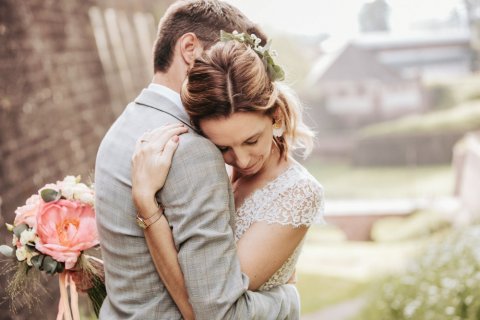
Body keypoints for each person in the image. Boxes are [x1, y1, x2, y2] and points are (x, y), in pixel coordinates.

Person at [95, 0, 301, 319]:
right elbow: (219, 313)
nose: (232, 70)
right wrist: (287, 299)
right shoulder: (190, 150)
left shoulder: (123, 126)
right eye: (226, 56)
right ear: (190, 47)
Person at [131, 33, 325, 317]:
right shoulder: (213, 172)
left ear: (276, 117)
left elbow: (208, 310)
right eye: (223, 147)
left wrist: (146, 205)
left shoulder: (298, 193)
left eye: (251, 140)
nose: (242, 160)